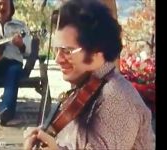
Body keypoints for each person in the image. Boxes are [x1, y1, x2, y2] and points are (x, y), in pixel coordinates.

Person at [23, 0, 155, 149]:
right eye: (56, 50)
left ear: (97, 51)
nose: (57, 59)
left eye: (67, 51)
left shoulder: (116, 98)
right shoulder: (85, 86)